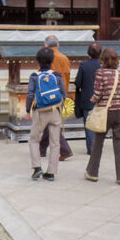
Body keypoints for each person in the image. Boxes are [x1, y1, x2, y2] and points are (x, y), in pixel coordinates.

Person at [84, 48, 120, 185]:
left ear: (102, 60)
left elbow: (98, 94)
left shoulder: (100, 73)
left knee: (98, 142)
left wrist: (92, 100)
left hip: (106, 111)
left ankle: (92, 172)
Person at [25, 47, 67, 181]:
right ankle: (51, 172)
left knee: (34, 139)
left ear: (38, 60)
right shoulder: (57, 75)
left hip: (40, 112)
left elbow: (30, 94)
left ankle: (37, 167)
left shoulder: (34, 76)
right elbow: (63, 93)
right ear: (52, 60)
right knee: (55, 142)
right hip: (55, 111)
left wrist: (28, 109)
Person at [39, 35, 73, 161]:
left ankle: (65, 150)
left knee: (52, 123)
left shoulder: (45, 58)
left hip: (48, 95)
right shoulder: (64, 58)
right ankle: (41, 149)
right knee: (51, 121)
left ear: (46, 45)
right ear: (58, 45)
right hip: (61, 93)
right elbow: (67, 76)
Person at [74, 42, 102, 154]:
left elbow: (78, 82)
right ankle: (98, 146)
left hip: (88, 98)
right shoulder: (103, 65)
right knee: (100, 123)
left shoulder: (84, 65)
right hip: (101, 98)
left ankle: (91, 147)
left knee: (89, 123)